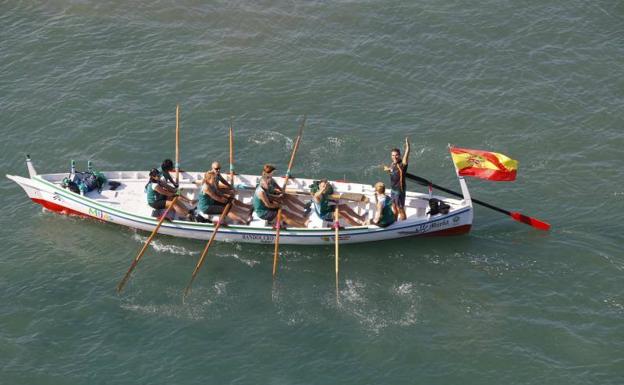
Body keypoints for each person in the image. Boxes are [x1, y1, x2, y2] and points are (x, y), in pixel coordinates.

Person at [383, 137, 410, 220]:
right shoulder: (392, 164)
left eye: (396, 155)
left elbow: (407, 155)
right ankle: (395, 221)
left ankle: (404, 223)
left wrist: (408, 146)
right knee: (394, 206)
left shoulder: (402, 164)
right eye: (393, 155)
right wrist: (387, 169)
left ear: (400, 155)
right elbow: (392, 171)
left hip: (399, 191)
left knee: (400, 208)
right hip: (393, 190)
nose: (395, 157)